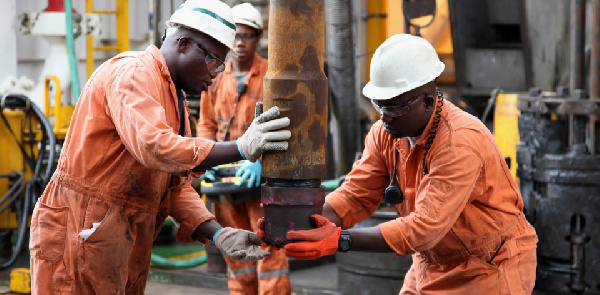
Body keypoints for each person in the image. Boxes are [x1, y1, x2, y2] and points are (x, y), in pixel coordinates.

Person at [28, 0, 291, 294]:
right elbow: (154, 147)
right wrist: (241, 148)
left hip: (119, 235)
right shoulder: (133, 73)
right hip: (81, 229)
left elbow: (173, 188)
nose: (215, 76)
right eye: (214, 62)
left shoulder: (174, 103)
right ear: (184, 44)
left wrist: (219, 235)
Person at [261, 34, 539, 294]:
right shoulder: (386, 134)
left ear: (428, 102)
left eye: (394, 108)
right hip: (431, 261)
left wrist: (341, 239)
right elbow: (355, 195)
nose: (385, 117)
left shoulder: (459, 143)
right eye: (379, 106)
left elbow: (424, 229)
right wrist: (293, 222)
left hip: (488, 266)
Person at [196, 3, 292, 294]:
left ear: (258, 39)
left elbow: (283, 125)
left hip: (260, 182)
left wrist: (261, 161)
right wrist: (208, 159)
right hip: (226, 181)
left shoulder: (271, 76)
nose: (240, 42)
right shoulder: (215, 76)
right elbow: (206, 124)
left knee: (270, 247)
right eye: (235, 35)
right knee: (236, 249)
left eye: (247, 36)